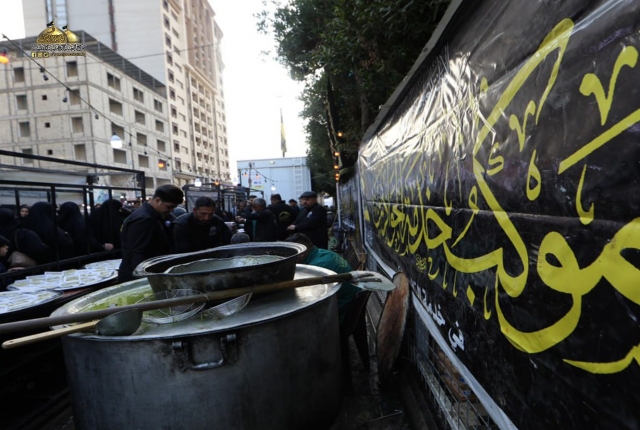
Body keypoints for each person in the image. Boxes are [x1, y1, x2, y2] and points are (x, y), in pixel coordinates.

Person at [285, 233, 358, 324]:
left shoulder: (318, 267)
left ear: (301, 254)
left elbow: (309, 300)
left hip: (343, 310)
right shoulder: (321, 253)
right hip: (349, 300)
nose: (287, 258)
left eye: (289, 255)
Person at [118, 185, 184, 282]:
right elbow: (136, 253)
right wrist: (145, 278)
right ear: (158, 200)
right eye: (169, 206)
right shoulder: (143, 219)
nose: (171, 210)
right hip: (138, 276)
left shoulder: (154, 216)